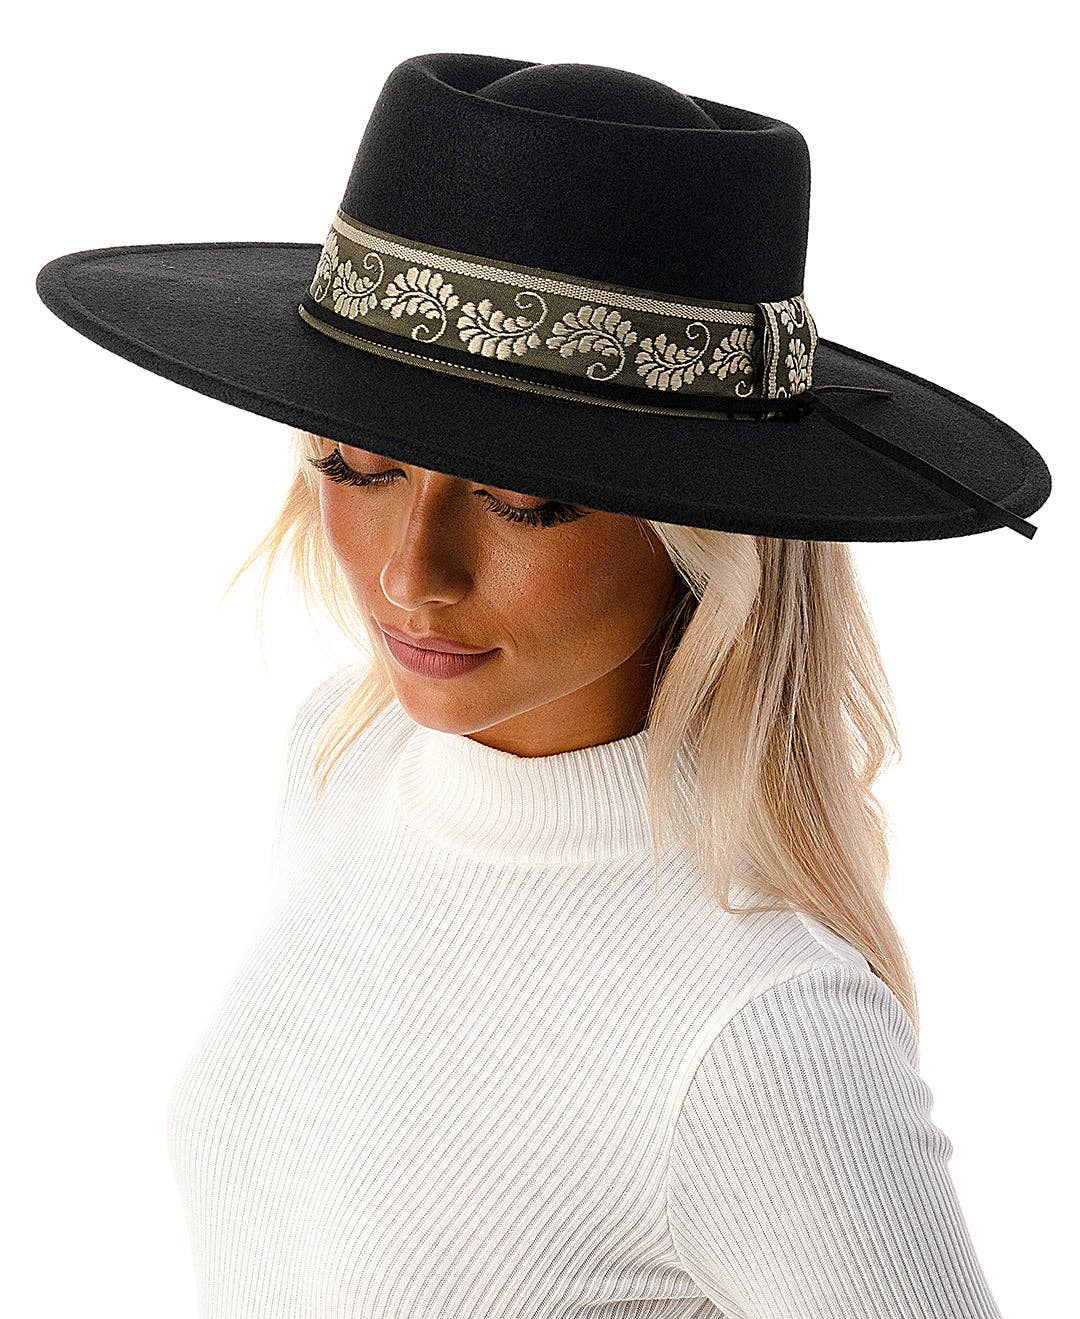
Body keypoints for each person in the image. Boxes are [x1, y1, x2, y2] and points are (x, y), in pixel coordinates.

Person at [36, 51, 1049, 1319]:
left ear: (702, 536)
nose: (411, 573)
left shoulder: (762, 1030)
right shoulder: (346, 757)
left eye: (521, 500)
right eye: (356, 467)